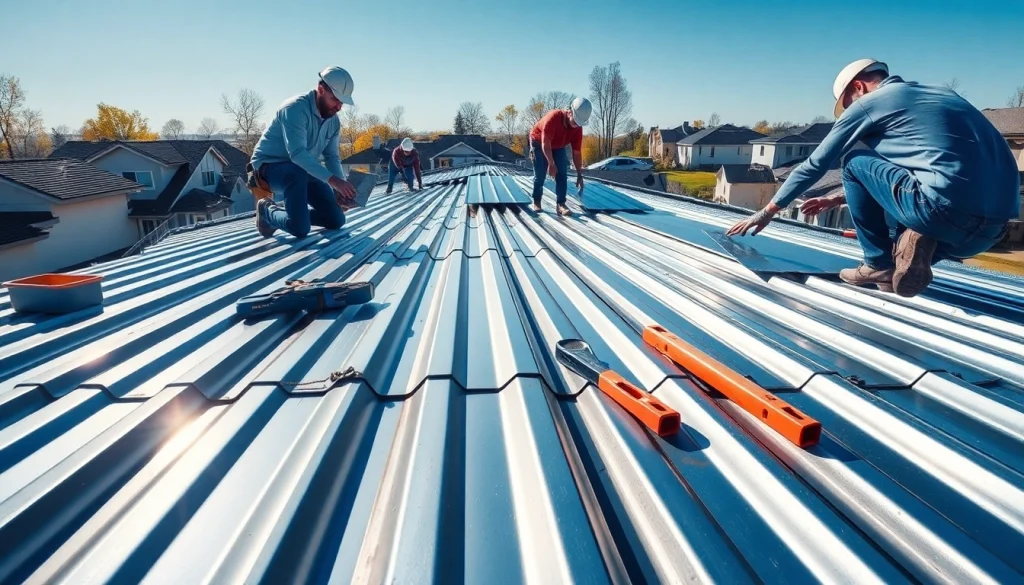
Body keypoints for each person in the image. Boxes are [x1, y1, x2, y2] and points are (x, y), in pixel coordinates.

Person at [727, 59, 1020, 297]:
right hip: (987, 234)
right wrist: (837, 198)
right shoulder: (945, 96)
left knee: (854, 162)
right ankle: (906, 254)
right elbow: (934, 168)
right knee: (903, 255)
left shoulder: (872, 102)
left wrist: (767, 212)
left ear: (859, 86)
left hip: (939, 212)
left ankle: (877, 263)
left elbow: (815, 165)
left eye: (849, 102)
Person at [249, 66, 358, 239]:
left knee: (336, 219)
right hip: (269, 169)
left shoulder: (333, 122)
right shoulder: (294, 109)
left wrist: (340, 190)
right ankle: (266, 211)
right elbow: (297, 154)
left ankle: (296, 217)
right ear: (320, 89)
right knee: (299, 229)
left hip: (302, 171)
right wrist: (335, 181)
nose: (338, 107)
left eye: (342, 103)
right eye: (335, 99)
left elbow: (332, 157)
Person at [529, 97, 592, 216]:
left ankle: (561, 204)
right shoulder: (553, 118)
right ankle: (537, 201)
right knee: (540, 174)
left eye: (579, 124)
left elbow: (577, 152)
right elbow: (545, 144)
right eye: (575, 121)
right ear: (569, 112)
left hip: (558, 144)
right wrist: (551, 164)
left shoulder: (577, 128)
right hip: (539, 142)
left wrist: (579, 173)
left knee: (562, 172)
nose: (576, 126)